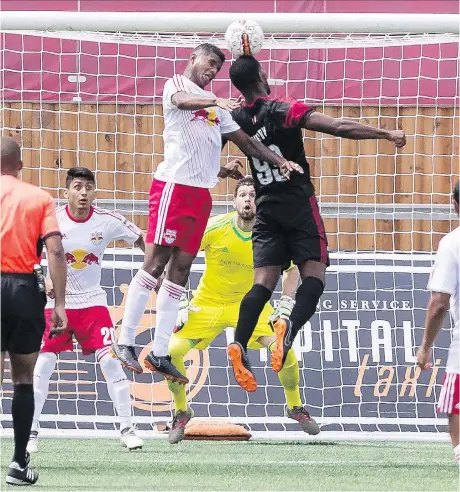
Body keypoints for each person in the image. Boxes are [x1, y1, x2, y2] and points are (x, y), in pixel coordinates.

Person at [112, 43, 302, 384]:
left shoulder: (219, 110)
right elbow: (183, 103)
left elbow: (246, 142)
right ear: (193, 59)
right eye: (209, 62)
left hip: (201, 195)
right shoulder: (178, 86)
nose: (213, 70)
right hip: (172, 188)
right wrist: (215, 100)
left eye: (218, 66)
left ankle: (159, 352)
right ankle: (124, 340)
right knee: (155, 263)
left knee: (181, 270)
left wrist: (279, 161)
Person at [225, 56, 406, 391]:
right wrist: (385, 132)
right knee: (315, 274)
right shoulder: (282, 108)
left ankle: (238, 342)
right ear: (263, 76)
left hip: (266, 210)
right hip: (298, 206)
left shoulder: (232, 117)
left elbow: (210, 156)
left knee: (262, 283)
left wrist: (226, 171)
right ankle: (288, 330)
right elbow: (338, 126)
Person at [166, 176, 320, 443]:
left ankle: (294, 406)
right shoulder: (214, 227)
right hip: (208, 304)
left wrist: (285, 302)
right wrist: (179, 301)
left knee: (285, 351)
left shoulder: (273, 233)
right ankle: (181, 411)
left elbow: (293, 268)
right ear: (234, 201)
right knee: (170, 352)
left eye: (253, 195)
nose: (248, 199)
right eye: (243, 195)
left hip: (253, 307)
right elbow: (178, 256)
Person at [27, 167, 144, 454]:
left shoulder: (108, 221)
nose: (83, 193)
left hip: (93, 303)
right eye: (77, 187)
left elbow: (141, 237)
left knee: (111, 362)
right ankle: (31, 430)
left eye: (88, 188)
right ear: (66, 191)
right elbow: (29, 254)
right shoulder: (50, 219)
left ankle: (128, 428)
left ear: (94, 192)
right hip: (57, 306)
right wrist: (42, 280)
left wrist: (155, 271)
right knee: (42, 364)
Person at [1, 136, 67, 485]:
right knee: (23, 379)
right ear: (20, 166)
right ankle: (17, 464)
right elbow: (55, 251)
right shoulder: (39, 198)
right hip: (24, 289)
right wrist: (59, 303)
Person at [416, 181, 459, 466]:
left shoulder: (452, 243)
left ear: (454, 204)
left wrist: (425, 347)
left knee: (457, 398)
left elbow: (439, 303)